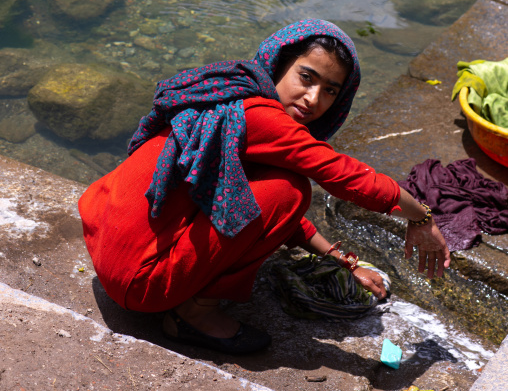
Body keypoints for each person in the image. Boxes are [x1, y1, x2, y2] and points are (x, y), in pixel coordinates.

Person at [79, 19, 450, 354]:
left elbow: (252, 202)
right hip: (139, 285)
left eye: (330, 91)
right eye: (306, 77)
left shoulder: (232, 90)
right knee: (293, 190)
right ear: (278, 64)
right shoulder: (262, 117)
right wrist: (422, 218)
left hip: (104, 242)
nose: (313, 99)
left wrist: (340, 261)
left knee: (283, 189)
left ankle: (184, 294)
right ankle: (194, 314)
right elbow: (342, 175)